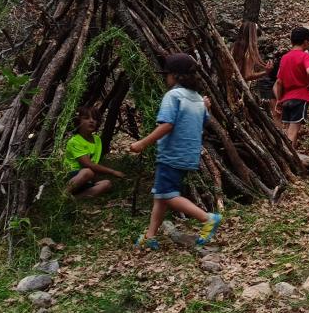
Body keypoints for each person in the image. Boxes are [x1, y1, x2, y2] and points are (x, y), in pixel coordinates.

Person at [129, 53, 223, 250]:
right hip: (188, 153)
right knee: (161, 195)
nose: (166, 78)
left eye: (167, 74)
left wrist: (142, 143)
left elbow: (167, 125)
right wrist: (206, 108)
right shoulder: (197, 98)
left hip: (171, 153)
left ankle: (207, 218)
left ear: (175, 76)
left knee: (168, 194)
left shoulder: (173, 96)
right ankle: (150, 236)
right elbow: (203, 121)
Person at [63, 106, 125, 198]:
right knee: (87, 172)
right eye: (86, 118)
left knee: (107, 184)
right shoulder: (75, 141)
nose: (91, 121)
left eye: (95, 119)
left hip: (88, 178)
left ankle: (76, 198)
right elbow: (88, 164)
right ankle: (64, 194)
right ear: (78, 121)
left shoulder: (97, 140)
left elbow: (94, 163)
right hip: (73, 177)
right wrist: (112, 172)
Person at [273, 26, 309, 146]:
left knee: (288, 130)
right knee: (292, 132)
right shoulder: (305, 55)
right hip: (300, 97)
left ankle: (290, 155)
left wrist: (279, 99)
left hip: (286, 98)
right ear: (306, 41)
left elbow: (279, 82)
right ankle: (288, 157)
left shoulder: (285, 58)